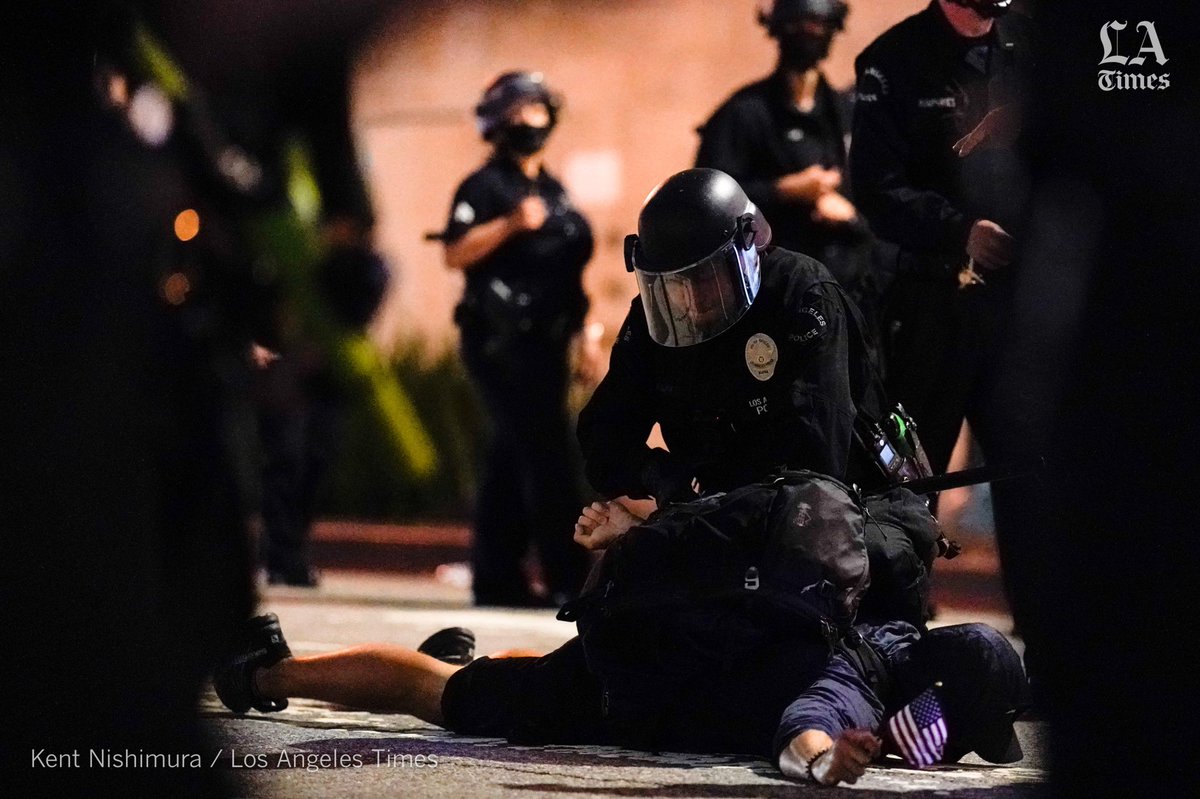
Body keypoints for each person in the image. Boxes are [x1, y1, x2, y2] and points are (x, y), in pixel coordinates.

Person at [577, 167, 945, 628]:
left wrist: (669, 527)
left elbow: (815, 472)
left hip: (830, 524)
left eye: (703, 279)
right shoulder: (659, 319)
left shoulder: (801, 296)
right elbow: (601, 440)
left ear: (748, 250)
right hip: (718, 520)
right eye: (671, 286)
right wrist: (661, 475)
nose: (689, 303)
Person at [848, 0, 1042, 684]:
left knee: (1030, 476)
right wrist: (961, 229)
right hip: (931, 304)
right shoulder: (893, 61)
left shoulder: (1032, 44)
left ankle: (1047, 656)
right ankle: (897, 649)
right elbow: (872, 187)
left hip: (1018, 308)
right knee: (912, 482)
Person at [441, 71, 595, 608]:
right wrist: (509, 225)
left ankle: (496, 578)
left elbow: (572, 275)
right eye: (519, 111)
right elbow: (454, 251)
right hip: (499, 344)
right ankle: (566, 575)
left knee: (514, 455)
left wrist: (586, 340)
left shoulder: (556, 191)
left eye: (538, 109)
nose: (530, 120)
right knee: (546, 454)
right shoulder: (484, 187)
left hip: (550, 343)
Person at [695, 0, 886, 328]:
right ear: (778, 28)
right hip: (773, 299)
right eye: (799, 24)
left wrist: (852, 217)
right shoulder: (743, 114)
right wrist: (782, 191)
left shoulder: (848, 114)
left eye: (818, 25)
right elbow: (706, 204)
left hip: (851, 297)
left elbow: (884, 202)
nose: (809, 33)